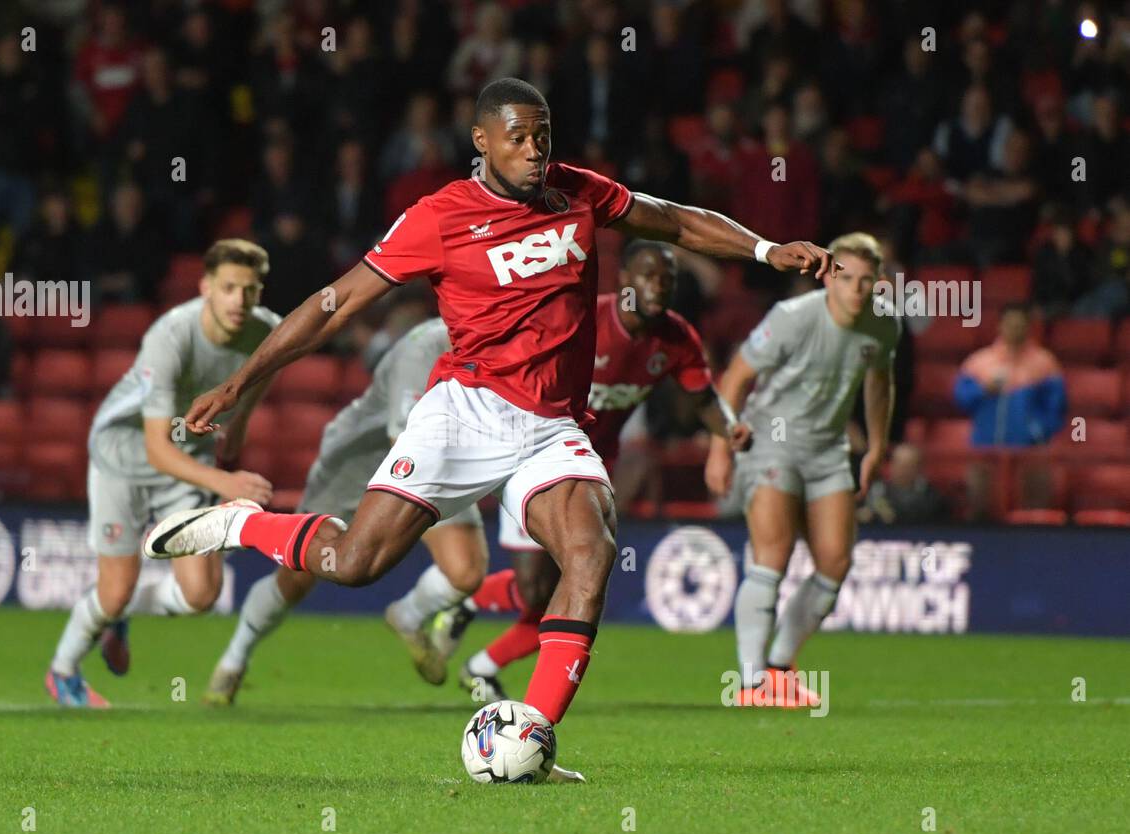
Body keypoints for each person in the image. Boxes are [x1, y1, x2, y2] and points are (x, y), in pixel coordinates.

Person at [144, 78, 831, 778]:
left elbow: (676, 220)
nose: (535, 151)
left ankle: (529, 739)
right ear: (482, 141)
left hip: (553, 425)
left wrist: (766, 250)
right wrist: (240, 382)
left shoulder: (578, 191)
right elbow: (332, 304)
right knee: (355, 564)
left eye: (543, 135)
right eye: (519, 138)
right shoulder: (439, 218)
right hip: (465, 413)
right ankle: (244, 524)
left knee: (590, 556)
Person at [442, 241, 749, 702]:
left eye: (667, 278)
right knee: (534, 590)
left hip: (592, 466)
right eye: (648, 274)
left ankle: (483, 668)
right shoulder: (585, 320)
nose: (658, 286)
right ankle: (472, 615)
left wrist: (729, 430)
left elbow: (703, 397)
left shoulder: (675, 339)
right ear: (623, 277)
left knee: (575, 577)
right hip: (534, 453)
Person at [204, 318, 489, 704]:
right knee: (300, 575)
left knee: (466, 571)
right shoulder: (421, 348)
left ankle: (406, 615)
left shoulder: (506, 348)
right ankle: (232, 661)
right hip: (360, 461)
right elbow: (404, 442)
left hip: (439, 460)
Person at [44, 240, 280, 707]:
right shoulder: (169, 335)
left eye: (249, 291)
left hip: (188, 457)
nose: (239, 300)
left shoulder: (267, 331)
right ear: (206, 287)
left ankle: (122, 611)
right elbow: (156, 447)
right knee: (112, 592)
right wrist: (226, 484)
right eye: (229, 288)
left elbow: (251, 388)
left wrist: (234, 436)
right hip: (124, 455)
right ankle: (63, 671)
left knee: (202, 594)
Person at [705, 232, 898, 707]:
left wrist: (875, 446)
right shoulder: (792, 319)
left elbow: (879, 382)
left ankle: (778, 667)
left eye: (866, 281)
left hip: (829, 449)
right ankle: (749, 684)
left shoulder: (883, 327)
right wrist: (719, 448)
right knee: (773, 552)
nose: (856, 289)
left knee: (835, 562)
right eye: (847, 277)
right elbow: (735, 377)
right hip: (771, 442)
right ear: (828, 277)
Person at [954, 303, 1065, 447]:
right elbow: (962, 400)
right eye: (1010, 324)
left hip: (1030, 451)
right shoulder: (979, 362)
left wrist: (1037, 432)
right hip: (984, 449)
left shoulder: (1045, 363)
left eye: (1019, 325)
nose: (1015, 329)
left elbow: (1056, 407)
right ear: (999, 326)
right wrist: (983, 390)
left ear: (1029, 327)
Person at [856, 443, 946, 524]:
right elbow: (860, 513)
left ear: (919, 469)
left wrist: (890, 516)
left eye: (908, 466)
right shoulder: (876, 490)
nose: (902, 470)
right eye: (899, 464)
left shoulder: (930, 496)